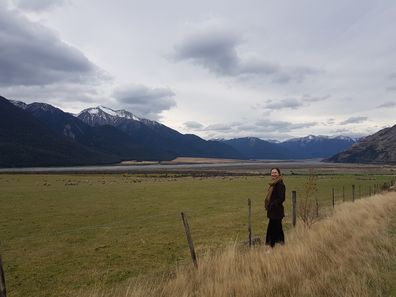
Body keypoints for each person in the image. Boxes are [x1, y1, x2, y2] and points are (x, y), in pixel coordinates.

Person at [264, 168, 286, 247]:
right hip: (272, 211)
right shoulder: (273, 184)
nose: (273, 174)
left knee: (272, 228)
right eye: (272, 172)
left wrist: (272, 204)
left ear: (279, 174)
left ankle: (271, 246)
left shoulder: (280, 184)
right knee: (278, 228)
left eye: (275, 172)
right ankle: (281, 243)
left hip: (277, 211)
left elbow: (282, 198)